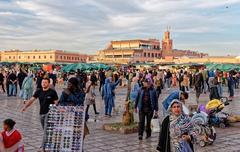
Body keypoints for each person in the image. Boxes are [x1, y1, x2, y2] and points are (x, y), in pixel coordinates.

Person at [21, 78, 58, 152]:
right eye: (42, 82)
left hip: (49, 113)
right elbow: (32, 100)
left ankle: (43, 148)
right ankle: (48, 145)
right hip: (41, 113)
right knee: (47, 131)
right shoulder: (39, 91)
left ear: (48, 84)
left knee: (45, 131)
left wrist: (54, 110)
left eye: (45, 82)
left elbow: (56, 102)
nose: (43, 84)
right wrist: (25, 107)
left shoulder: (52, 92)